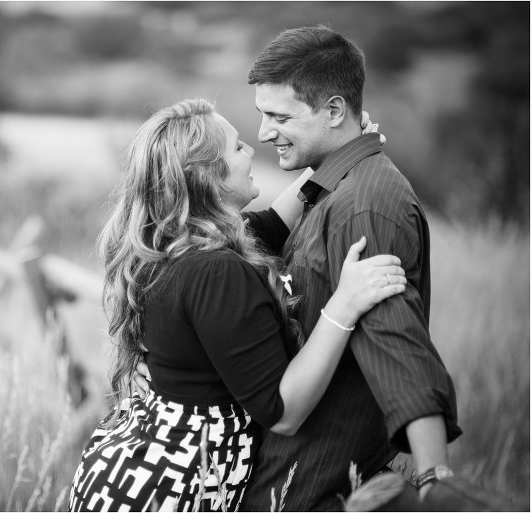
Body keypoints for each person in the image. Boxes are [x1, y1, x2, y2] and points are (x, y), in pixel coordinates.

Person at [134, 25, 462, 511]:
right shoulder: (218, 258)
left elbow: (399, 344)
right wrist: (350, 149)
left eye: (277, 116)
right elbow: (264, 227)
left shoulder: (362, 205)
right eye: (253, 128)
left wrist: (435, 479)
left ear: (333, 110)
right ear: (204, 179)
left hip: (308, 482)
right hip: (247, 482)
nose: (262, 135)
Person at [68, 98, 407, 512]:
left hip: (129, 472)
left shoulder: (178, 243)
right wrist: (344, 305)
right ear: (208, 176)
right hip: (164, 492)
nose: (251, 150)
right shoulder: (216, 272)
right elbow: (282, 412)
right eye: (238, 147)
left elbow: (276, 222)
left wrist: (337, 155)